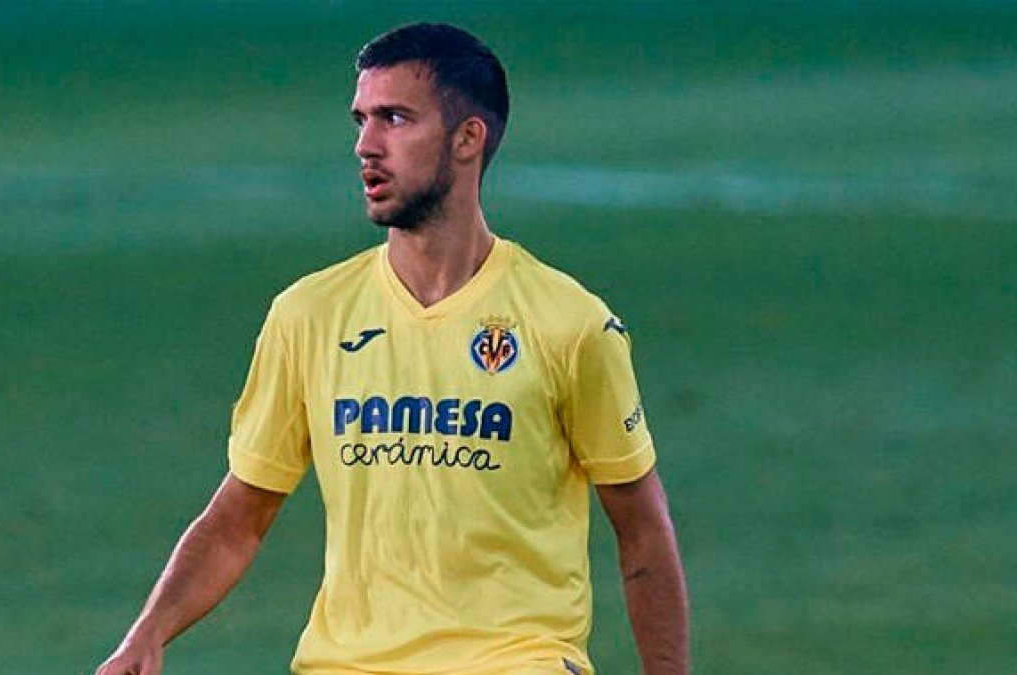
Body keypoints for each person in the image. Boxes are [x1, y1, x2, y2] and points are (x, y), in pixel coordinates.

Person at [96, 22, 689, 675]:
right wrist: (148, 632)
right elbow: (240, 514)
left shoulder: (569, 324)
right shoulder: (309, 315)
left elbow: (642, 530)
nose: (365, 146)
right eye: (361, 120)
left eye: (395, 118)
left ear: (467, 139)